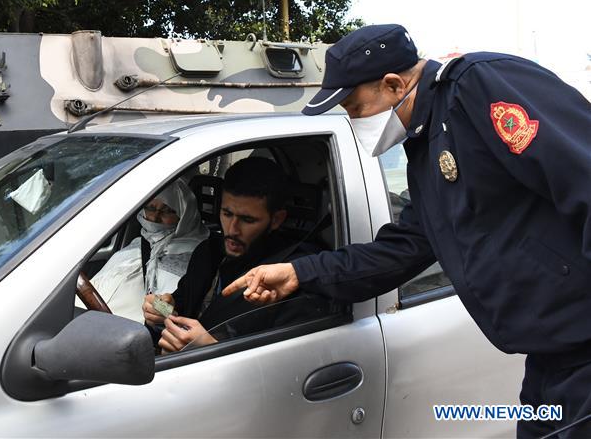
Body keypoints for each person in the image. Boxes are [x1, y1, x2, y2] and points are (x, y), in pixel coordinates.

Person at [223, 24, 591, 438]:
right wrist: (299, 272)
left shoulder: (480, 86)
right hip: (550, 359)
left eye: (354, 107)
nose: (353, 121)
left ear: (393, 85)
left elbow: (583, 176)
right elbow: (405, 248)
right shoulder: (427, 143)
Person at [142, 157, 332, 353]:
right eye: (227, 214)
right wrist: (161, 308)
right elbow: (180, 308)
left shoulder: (289, 277)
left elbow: (290, 361)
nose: (232, 230)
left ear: (276, 219)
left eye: (247, 220)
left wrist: (211, 349)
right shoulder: (209, 251)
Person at [85, 179, 209, 323]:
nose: (155, 217)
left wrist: (162, 311)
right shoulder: (139, 243)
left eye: (167, 210)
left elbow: (173, 314)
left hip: (124, 331)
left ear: (184, 215)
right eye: (150, 208)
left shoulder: (199, 258)